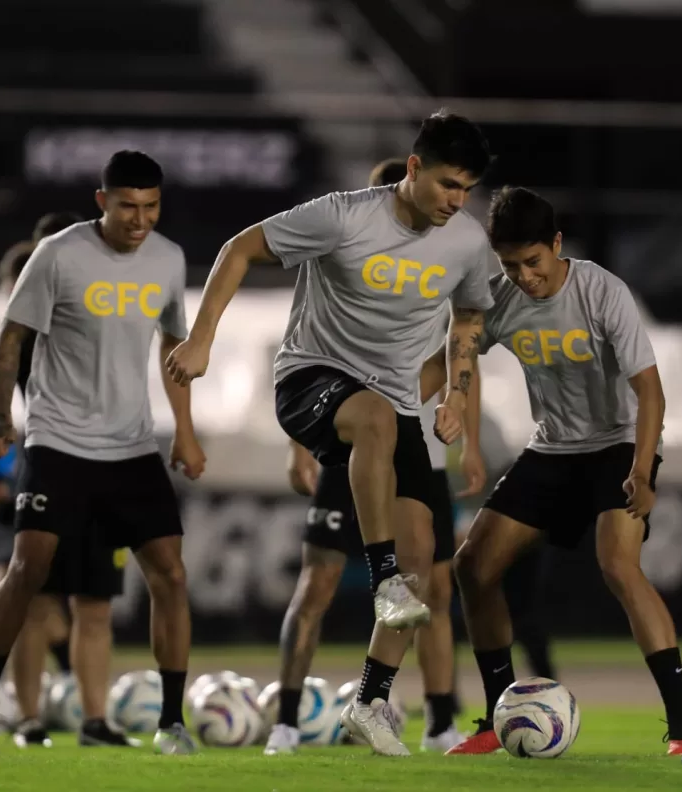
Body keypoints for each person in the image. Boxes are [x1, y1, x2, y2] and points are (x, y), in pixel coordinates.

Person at [164, 111, 495, 756]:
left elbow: (471, 314)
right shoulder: (343, 215)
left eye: (467, 190)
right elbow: (240, 248)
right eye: (449, 184)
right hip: (312, 383)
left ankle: (370, 701)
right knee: (370, 451)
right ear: (415, 167)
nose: (457, 201)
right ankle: (382, 582)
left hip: (395, 406)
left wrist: (455, 392)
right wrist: (201, 339)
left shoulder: (466, 243)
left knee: (427, 559)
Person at [428, 186, 682, 757]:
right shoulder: (500, 296)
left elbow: (650, 392)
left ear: (557, 245)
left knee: (618, 566)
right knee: (473, 567)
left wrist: (644, 471)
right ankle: (494, 716)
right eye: (510, 264)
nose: (524, 276)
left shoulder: (601, 291)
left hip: (619, 444)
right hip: (553, 449)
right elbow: (458, 347)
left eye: (533, 261)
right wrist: (451, 400)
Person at [0, 150, 205, 756]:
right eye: (128, 205)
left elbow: (174, 345)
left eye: (150, 206)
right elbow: (10, 337)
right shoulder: (59, 254)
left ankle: (171, 723)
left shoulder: (168, 259)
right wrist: (0, 414)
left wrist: (184, 428)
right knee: (28, 570)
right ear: (103, 201)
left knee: (171, 575)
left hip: (130, 446)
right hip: (59, 441)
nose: (139, 219)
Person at [266, 158, 468, 756]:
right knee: (318, 582)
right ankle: (284, 719)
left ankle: (434, 719)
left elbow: (457, 361)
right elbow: (306, 361)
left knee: (428, 587)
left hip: (409, 450)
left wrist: (461, 433)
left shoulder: (443, 275)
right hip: (348, 446)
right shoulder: (349, 268)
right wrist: (299, 444)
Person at [0, 219, 138, 749]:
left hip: (107, 469)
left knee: (91, 603)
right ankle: (29, 718)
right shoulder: (19, 327)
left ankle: (91, 721)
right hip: (50, 467)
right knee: (39, 600)